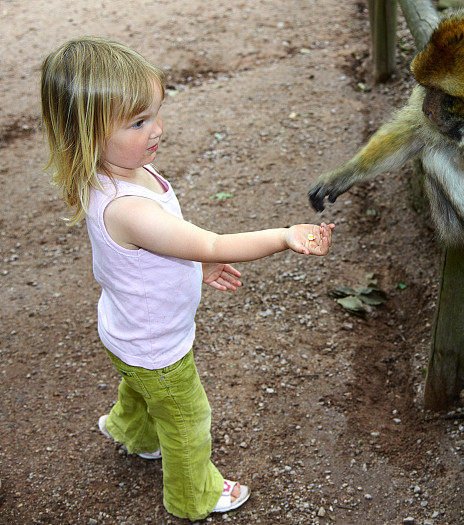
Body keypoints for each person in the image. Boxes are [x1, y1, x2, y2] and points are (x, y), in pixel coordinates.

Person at [40, 36, 334, 520]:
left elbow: (151, 253)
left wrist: (195, 266)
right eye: (139, 122)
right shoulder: (129, 207)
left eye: (156, 112)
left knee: (136, 387)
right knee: (187, 421)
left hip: (126, 329)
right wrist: (284, 236)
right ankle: (191, 497)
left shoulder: (113, 172)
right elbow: (213, 242)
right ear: (88, 134)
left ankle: (130, 432)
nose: (158, 129)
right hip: (157, 345)